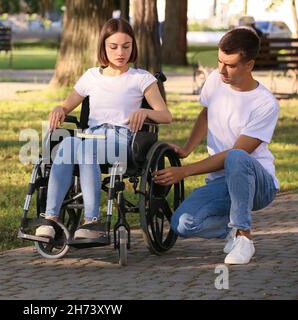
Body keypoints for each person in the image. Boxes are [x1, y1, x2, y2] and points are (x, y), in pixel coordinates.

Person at [35, 18, 172, 240]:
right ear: (103, 47)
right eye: (113, 47)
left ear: (133, 47)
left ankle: (92, 221)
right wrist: (59, 109)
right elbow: (67, 104)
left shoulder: (141, 78)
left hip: (123, 141)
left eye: (126, 46)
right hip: (91, 136)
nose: (120, 52)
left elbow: (166, 115)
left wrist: (145, 112)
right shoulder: (91, 76)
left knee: (87, 148)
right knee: (67, 143)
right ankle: (50, 218)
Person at [153, 28, 279, 265]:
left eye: (229, 65)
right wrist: (188, 148)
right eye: (220, 61)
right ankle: (232, 227)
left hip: (258, 183)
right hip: (222, 182)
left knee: (237, 157)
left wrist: (184, 171)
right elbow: (206, 114)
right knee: (182, 223)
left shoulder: (265, 104)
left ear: (249, 65)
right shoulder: (215, 80)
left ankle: (244, 236)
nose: (221, 70)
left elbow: (236, 155)